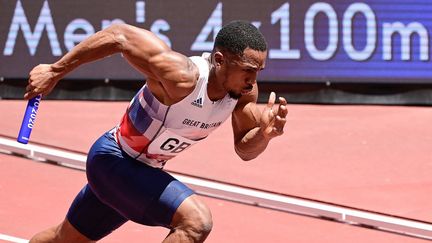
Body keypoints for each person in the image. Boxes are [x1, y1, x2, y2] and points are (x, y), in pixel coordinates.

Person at [25, 20, 288, 243]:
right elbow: (119, 35)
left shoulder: (243, 91)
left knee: (63, 239)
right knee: (196, 221)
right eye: (248, 71)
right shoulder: (182, 77)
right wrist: (55, 70)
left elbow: (244, 149)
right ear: (219, 60)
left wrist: (264, 135)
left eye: (258, 72)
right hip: (113, 159)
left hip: (141, 172)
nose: (253, 81)